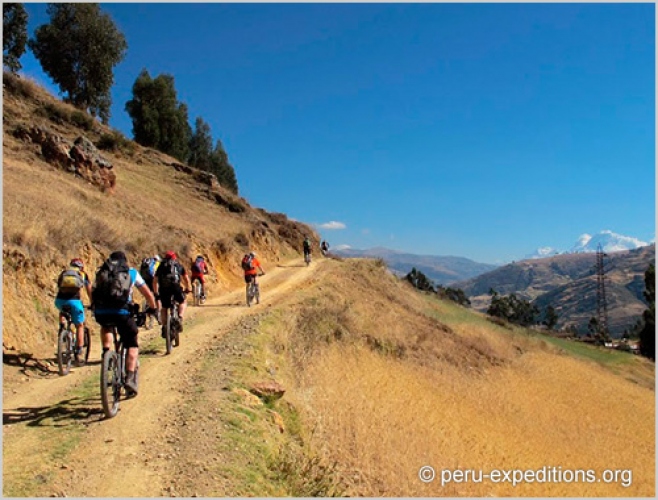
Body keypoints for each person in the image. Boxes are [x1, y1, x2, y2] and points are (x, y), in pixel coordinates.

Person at [92, 251, 156, 395]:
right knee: (132, 344)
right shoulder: (131, 272)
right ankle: (130, 378)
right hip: (122, 313)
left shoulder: (102, 271)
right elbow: (147, 293)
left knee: (106, 326)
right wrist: (153, 308)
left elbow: (94, 290)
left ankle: (106, 352)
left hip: (101, 312)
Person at [55, 258, 93, 360]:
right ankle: (79, 350)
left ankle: (62, 325)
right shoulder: (82, 274)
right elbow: (89, 290)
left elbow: (59, 285)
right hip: (75, 301)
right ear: (81, 266)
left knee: (62, 310)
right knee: (80, 325)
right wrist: (92, 303)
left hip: (59, 301)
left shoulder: (64, 272)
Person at [153, 250, 191, 336]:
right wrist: (188, 288)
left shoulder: (161, 266)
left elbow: (154, 281)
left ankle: (164, 326)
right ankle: (180, 318)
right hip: (175, 287)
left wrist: (156, 293)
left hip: (164, 289)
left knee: (164, 307)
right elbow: (186, 278)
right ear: (174, 257)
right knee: (183, 301)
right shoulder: (178, 265)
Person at [139, 254, 162, 321]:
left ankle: (147, 305)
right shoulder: (157, 263)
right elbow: (158, 274)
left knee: (149, 293)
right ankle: (159, 313)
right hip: (152, 279)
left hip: (145, 279)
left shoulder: (146, 263)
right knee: (157, 295)